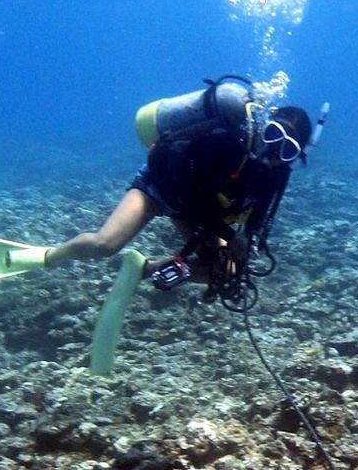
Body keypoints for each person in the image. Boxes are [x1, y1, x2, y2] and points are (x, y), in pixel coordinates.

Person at [45, 76, 313, 302]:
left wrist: (249, 240)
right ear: (265, 125)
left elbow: (257, 219)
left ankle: (141, 269)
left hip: (193, 210)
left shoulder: (276, 176)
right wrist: (231, 237)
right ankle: (52, 255)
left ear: (295, 157)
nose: (274, 150)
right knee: (104, 244)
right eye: (273, 135)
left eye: (287, 149)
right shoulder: (229, 143)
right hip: (161, 186)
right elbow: (197, 195)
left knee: (227, 271)